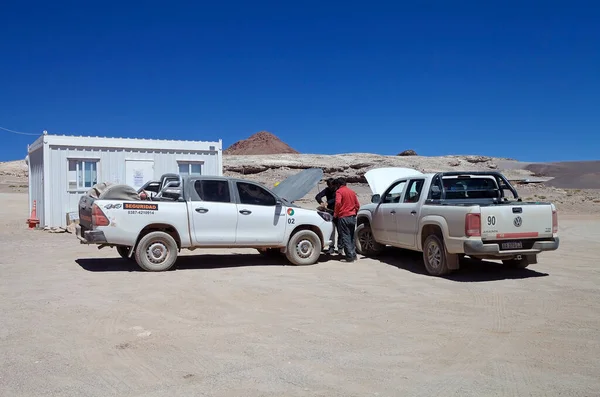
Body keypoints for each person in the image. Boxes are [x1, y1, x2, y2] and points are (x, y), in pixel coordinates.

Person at [333, 177, 360, 262]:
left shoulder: (339, 191)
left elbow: (338, 203)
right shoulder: (352, 192)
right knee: (351, 236)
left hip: (343, 216)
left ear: (338, 185)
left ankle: (349, 257)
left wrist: (336, 214)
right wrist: (354, 212)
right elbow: (357, 205)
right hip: (352, 216)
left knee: (345, 236)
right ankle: (353, 254)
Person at [315, 178, 341, 254]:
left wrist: (327, 203)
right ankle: (331, 247)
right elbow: (318, 196)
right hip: (330, 212)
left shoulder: (338, 191)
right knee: (331, 231)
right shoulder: (327, 190)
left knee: (340, 231)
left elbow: (336, 199)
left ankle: (340, 248)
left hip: (338, 212)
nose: (330, 187)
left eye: (331, 186)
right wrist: (321, 203)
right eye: (328, 186)